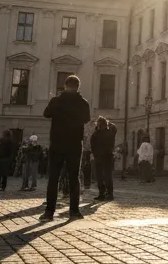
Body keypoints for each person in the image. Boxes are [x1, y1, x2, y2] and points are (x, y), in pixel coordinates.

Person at [40, 75, 89, 221]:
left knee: (53, 178)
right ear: (78, 87)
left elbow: (46, 113)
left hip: (57, 144)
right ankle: (74, 211)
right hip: (74, 144)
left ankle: (49, 212)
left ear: (65, 86)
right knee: (74, 178)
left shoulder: (56, 101)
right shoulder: (83, 103)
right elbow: (86, 119)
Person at [91, 116, 117, 202]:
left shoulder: (109, 132)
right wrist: (94, 153)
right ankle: (102, 193)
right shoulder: (96, 132)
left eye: (99, 123)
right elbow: (92, 143)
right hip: (98, 157)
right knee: (99, 176)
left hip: (107, 156)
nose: (98, 125)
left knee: (107, 176)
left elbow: (114, 128)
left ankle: (109, 193)